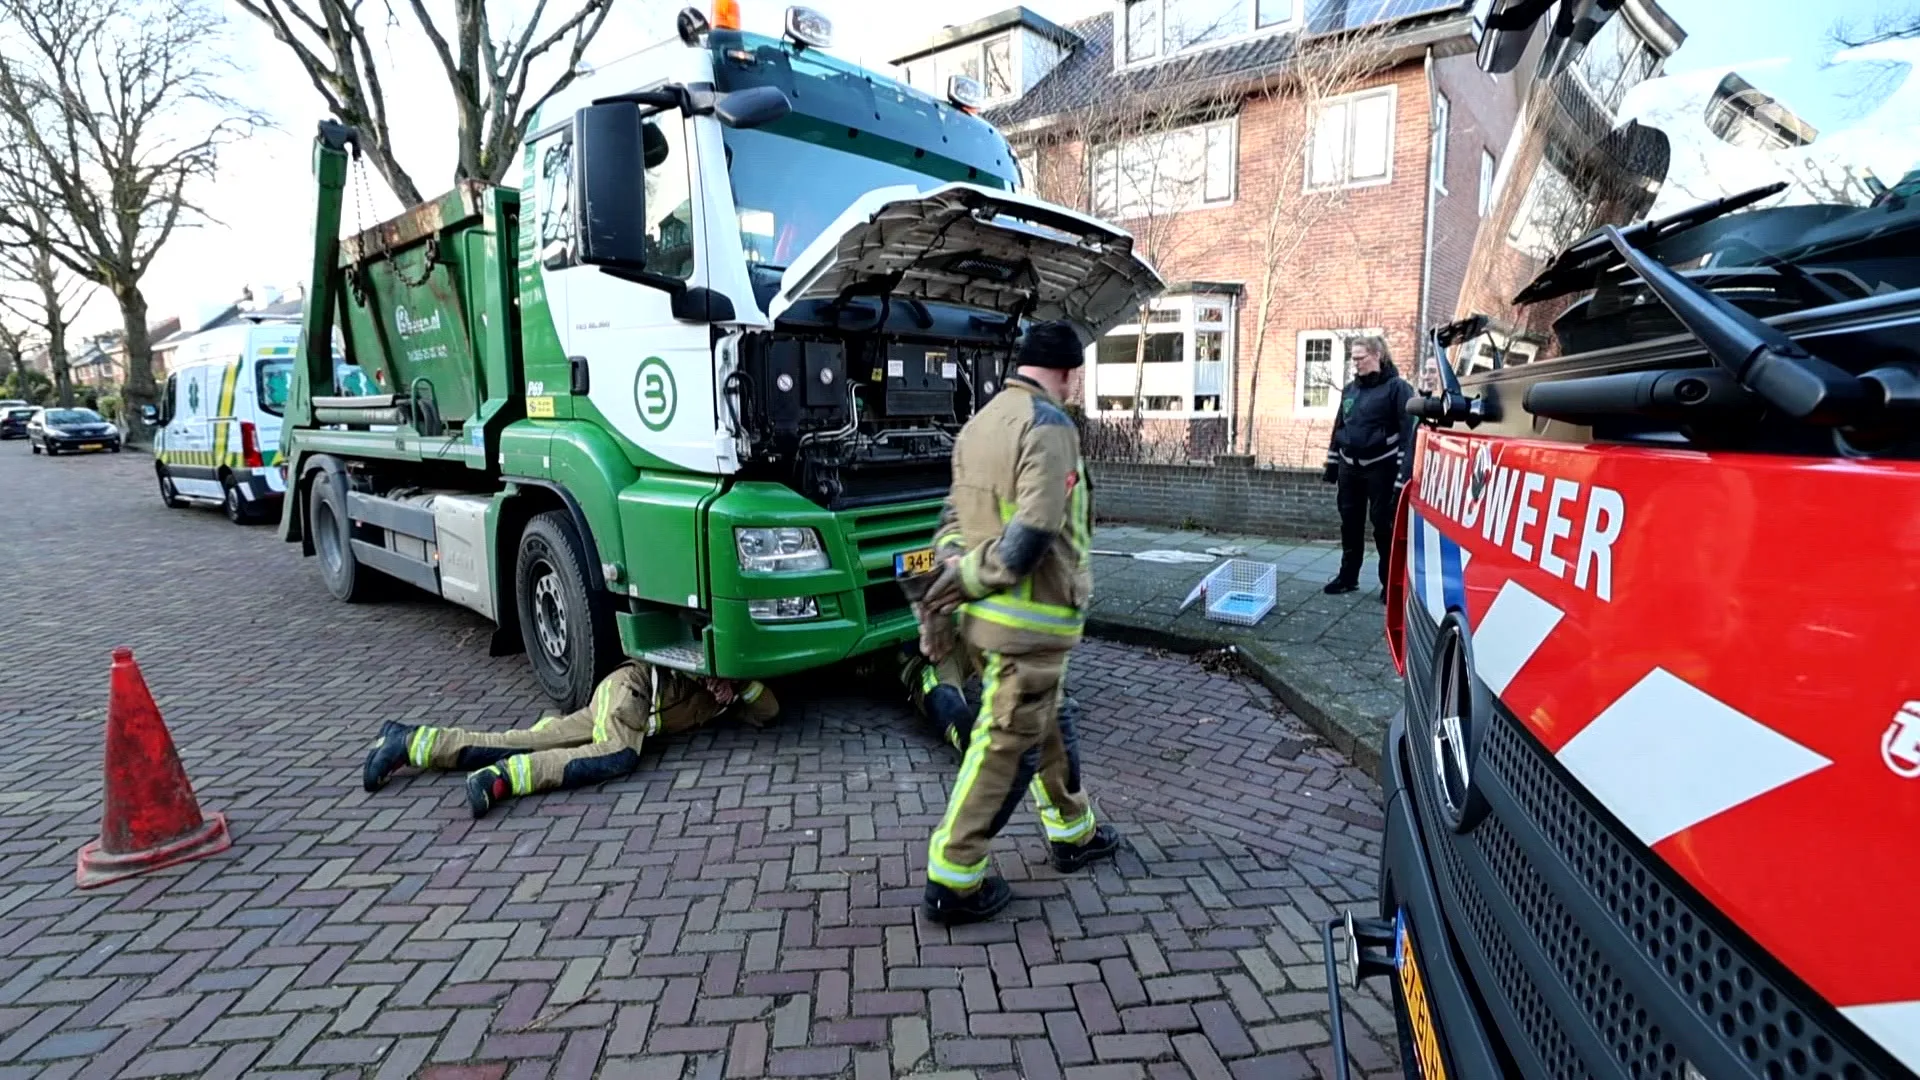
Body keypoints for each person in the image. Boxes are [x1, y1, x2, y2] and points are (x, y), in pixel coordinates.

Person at [915, 319, 1122, 926]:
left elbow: (951, 519)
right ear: (1064, 372)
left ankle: (1073, 831)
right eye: (1074, 377)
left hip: (987, 623)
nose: (1073, 388)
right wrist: (974, 576)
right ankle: (954, 877)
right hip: (1031, 624)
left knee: (1049, 721)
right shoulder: (1051, 426)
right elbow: (1033, 532)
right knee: (1006, 746)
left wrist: (956, 575)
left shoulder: (979, 424)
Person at [362, 662, 779, 817]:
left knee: (528, 739)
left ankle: (410, 742)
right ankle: (501, 778)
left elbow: (769, 712)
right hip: (633, 689)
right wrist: (707, 673)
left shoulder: (738, 691)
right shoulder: (711, 656)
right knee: (616, 755)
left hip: (620, 706)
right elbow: (674, 648)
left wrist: (737, 686)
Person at [1321, 335, 1416, 599]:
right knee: (1349, 523)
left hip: (1381, 469)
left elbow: (1409, 434)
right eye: (1354, 358)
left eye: (1360, 358)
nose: (1356, 363)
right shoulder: (1350, 390)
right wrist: (1332, 462)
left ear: (1378, 355)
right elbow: (1340, 425)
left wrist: (1402, 476)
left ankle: (1390, 584)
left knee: (1383, 526)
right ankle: (1348, 577)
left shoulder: (1398, 389)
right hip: (1349, 468)